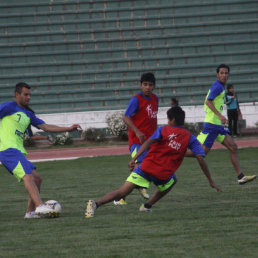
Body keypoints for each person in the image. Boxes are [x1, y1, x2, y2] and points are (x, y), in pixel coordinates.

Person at [85, 106, 221, 218]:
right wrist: (210, 180)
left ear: (172, 120)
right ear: (183, 121)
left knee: (121, 192)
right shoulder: (190, 138)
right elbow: (200, 158)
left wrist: (134, 158)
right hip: (163, 174)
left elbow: (148, 143)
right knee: (172, 180)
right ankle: (147, 206)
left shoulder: (163, 129)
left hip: (145, 168)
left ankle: (95, 204)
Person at [0, 82, 82, 219]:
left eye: (30, 95)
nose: (28, 97)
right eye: (25, 94)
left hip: (18, 151)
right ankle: (40, 206)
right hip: (8, 149)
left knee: (37, 178)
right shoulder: (8, 107)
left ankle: (30, 212)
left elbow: (45, 126)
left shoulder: (28, 114)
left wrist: (68, 129)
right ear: (17, 95)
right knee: (28, 176)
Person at [186, 64, 256, 185]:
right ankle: (174, 152)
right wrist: (220, 115)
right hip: (212, 125)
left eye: (226, 73)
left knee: (233, 147)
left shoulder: (221, 87)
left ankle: (240, 176)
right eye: (221, 73)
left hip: (217, 126)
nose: (224, 75)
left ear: (228, 74)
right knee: (201, 153)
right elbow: (208, 102)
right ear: (217, 74)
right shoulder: (217, 87)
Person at [114, 72, 158, 205]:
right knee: (140, 165)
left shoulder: (156, 99)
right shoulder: (136, 100)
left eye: (150, 85)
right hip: (136, 142)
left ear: (154, 86)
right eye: (145, 84)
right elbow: (125, 117)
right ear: (141, 85)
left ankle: (122, 196)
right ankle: (140, 187)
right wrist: (137, 131)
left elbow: (152, 120)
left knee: (146, 167)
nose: (147, 87)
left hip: (150, 142)